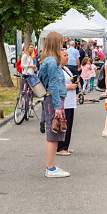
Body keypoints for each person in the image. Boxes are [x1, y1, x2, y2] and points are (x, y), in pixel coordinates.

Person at [38, 32, 70, 178]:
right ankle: (50, 168)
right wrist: (58, 106)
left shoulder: (48, 61)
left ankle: (51, 166)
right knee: (54, 133)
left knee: (54, 132)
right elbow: (53, 85)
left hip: (52, 99)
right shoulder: (52, 62)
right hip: (54, 99)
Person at [57, 49, 78, 156]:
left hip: (70, 100)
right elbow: (56, 85)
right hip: (64, 101)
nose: (67, 57)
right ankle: (61, 147)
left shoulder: (66, 68)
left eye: (67, 55)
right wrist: (69, 87)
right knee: (63, 124)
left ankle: (66, 145)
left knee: (69, 124)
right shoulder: (57, 69)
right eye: (64, 55)